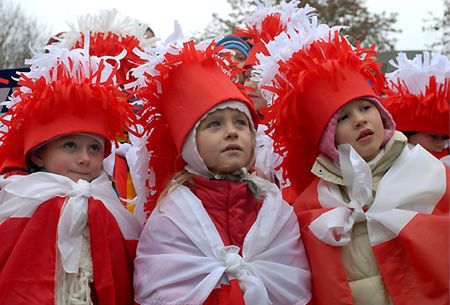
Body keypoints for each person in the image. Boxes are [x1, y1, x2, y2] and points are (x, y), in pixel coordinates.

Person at [253, 17, 449, 305]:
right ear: (326, 139)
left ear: (383, 117)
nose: (360, 120)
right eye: (343, 118)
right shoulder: (310, 203)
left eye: (367, 107)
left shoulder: (429, 172)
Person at [128, 28, 311, 305]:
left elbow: (293, 279)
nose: (231, 132)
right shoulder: (170, 215)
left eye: (241, 123)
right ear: (190, 144)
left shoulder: (275, 207)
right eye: (215, 124)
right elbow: (159, 287)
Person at [0, 41, 141, 305]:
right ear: (39, 154)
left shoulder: (112, 206)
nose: (85, 158)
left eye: (94, 148)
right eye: (70, 145)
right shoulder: (17, 198)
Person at [382, 51, 449, 163]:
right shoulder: (388, 163)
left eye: (445, 138)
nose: (440, 144)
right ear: (406, 134)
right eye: (433, 136)